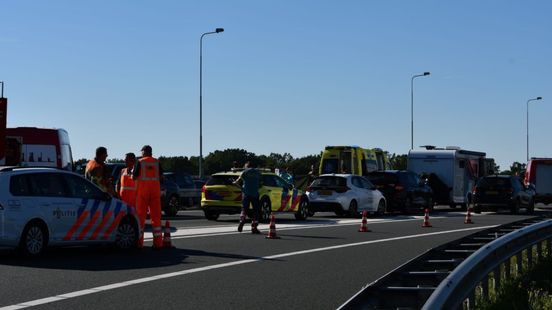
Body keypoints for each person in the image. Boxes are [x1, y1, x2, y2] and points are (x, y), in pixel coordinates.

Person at [133, 145, 163, 249]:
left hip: (143, 193)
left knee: (140, 218)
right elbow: (161, 176)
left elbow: (134, 176)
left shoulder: (140, 162)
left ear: (144, 152)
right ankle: (158, 243)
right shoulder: (157, 162)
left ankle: (139, 243)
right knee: (156, 218)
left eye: (141, 151)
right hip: (155, 193)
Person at [233, 161, 262, 234]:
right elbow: (260, 183)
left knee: (244, 209)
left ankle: (242, 220)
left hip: (246, 193)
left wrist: (241, 188)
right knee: (256, 211)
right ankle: (254, 227)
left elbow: (236, 182)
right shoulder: (258, 173)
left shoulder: (244, 172)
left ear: (247, 166)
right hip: (255, 194)